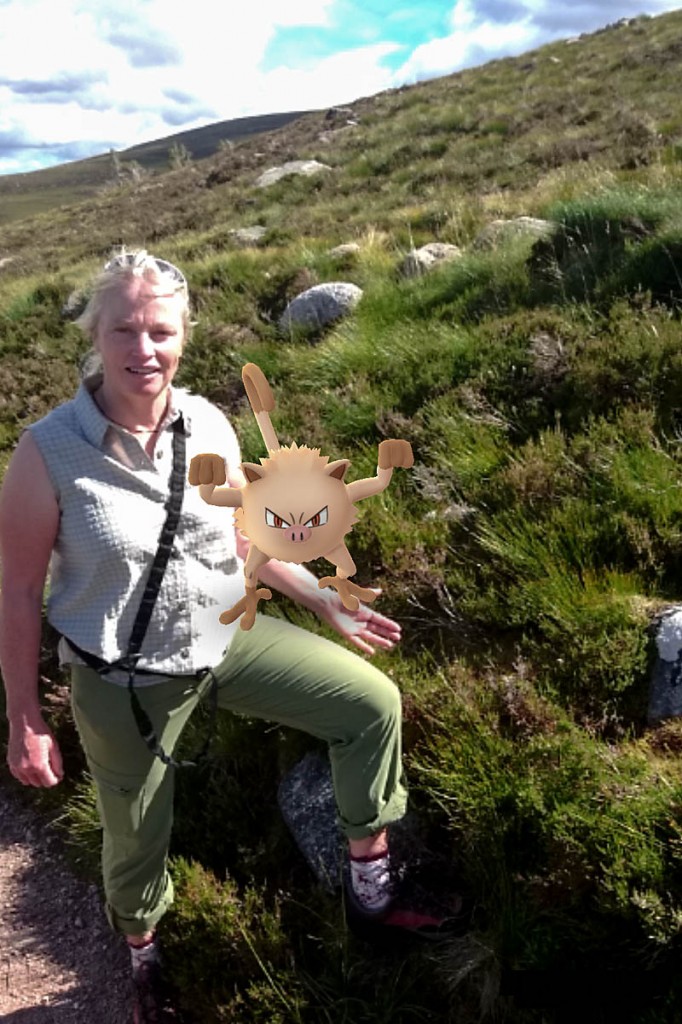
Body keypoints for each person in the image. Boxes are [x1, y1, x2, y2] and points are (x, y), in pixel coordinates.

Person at [0, 251, 415, 1023]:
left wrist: (322, 598)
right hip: (124, 680)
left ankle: (370, 889)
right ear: (95, 333)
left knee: (370, 704)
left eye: (161, 330)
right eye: (123, 328)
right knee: (135, 833)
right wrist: (26, 720)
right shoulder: (47, 451)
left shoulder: (207, 421)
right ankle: (144, 956)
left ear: (185, 335)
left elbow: (236, 540)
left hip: (225, 637)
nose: (143, 348)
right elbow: (19, 590)